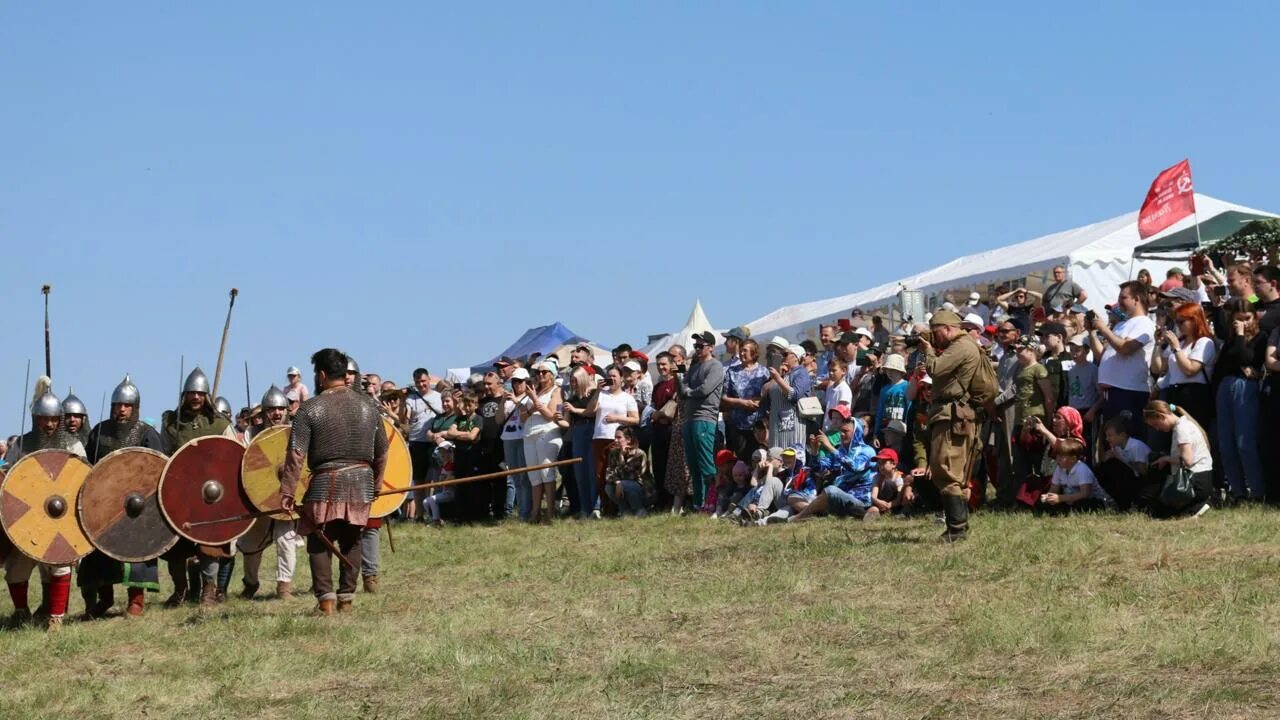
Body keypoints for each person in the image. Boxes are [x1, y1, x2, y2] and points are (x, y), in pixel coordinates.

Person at [280, 349, 388, 616]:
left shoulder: (310, 408)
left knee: (320, 541)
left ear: (321, 375)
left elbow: (295, 455)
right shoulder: (368, 407)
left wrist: (286, 490)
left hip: (326, 482)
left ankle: (326, 603)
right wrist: (376, 484)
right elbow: (383, 451)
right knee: (352, 540)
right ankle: (346, 601)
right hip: (361, 480)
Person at [79, 375, 166, 618]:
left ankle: (136, 601)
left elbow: (157, 467)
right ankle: (105, 598)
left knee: (137, 551)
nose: (122, 409)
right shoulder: (100, 431)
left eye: (127, 405)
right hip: (105, 502)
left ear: (135, 407)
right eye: (118, 405)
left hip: (136, 503)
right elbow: (89, 465)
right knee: (100, 550)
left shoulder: (146, 433)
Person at [5, 388, 84, 630]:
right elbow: (10, 479)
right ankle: (21, 611)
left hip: (60, 516)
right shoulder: (21, 445)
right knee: (16, 570)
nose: (49, 424)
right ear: (36, 418)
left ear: (59, 419)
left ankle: (56, 617)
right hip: (28, 517)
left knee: (59, 565)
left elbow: (81, 481)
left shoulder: (73, 445)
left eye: (53, 419)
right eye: (44, 418)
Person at [160, 367, 238, 607]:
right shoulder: (171, 423)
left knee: (211, 543)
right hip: (181, 492)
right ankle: (180, 590)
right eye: (191, 392)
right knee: (175, 545)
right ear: (184, 394)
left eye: (200, 393)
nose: (195, 397)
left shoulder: (219, 423)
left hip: (211, 493)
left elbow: (234, 455)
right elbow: (163, 455)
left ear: (207, 396)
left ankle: (208, 590)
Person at [917, 310, 984, 541]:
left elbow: (935, 369)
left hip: (952, 415)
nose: (936, 338)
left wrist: (927, 351)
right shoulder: (961, 345)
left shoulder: (961, 345)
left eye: (937, 333)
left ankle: (957, 529)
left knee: (946, 471)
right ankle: (957, 527)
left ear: (947, 328)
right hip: (949, 413)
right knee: (946, 471)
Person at [237, 384, 301, 601]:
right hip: (259, 495)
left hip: (287, 495)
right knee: (251, 545)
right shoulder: (252, 434)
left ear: (286, 411)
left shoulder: (296, 433)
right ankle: (251, 583)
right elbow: (246, 464)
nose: (276, 413)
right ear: (264, 413)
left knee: (286, 540)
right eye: (272, 410)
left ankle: (284, 586)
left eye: (280, 409)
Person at [1089, 281, 1156, 443]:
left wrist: (1104, 329)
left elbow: (1126, 348)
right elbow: (1103, 355)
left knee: (1127, 441)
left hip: (1129, 391)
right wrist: (1092, 332)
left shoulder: (1144, 323)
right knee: (1112, 443)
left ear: (1137, 299)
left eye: (1123, 297)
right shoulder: (1121, 325)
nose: (1119, 302)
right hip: (1112, 394)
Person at [1214, 298, 1267, 503]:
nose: (1244, 322)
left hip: (1245, 388)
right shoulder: (1229, 338)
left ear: (1254, 317)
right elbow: (1227, 362)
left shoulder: (1260, 336)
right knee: (1226, 444)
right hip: (1225, 387)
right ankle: (1238, 492)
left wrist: (1240, 335)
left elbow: (1246, 358)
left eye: (1247, 318)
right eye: (1239, 319)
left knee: (1245, 442)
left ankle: (1256, 490)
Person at [791, 413, 877, 521]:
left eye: (846, 431)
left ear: (856, 433)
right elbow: (819, 470)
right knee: (792, 497)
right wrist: (814, 452)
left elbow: (854, 467)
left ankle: (799, 517)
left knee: (831, 490)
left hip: (859, 501)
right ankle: (816, 514)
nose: (841, 434)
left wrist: (830, 447)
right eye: (841, 430)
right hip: (837, 498)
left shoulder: (867, 451)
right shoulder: (839, 450)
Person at [1142, 400, 1213, 518]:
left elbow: (1188, 461)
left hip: (1194, 482)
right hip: (1202, 479)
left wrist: (1167, 459)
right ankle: (1197, 506)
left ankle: (1197, 506)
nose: (1157, 429)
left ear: (1161, 416)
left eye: (1156, 425)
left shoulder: (1181, 429)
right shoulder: (1183, 425)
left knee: (1160, 514)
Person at [1149, 302, 1215, 429]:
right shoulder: (1180, 342)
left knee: (1192, 432)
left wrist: (1176, 349)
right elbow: (1158, 368)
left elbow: (1190, 369)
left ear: (1194, 320)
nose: (1178, 325)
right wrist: (1157, 345)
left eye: (1182, 321)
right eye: (1176, 322)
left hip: (1195, 394)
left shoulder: (1204, 342)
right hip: (1174, 391)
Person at [679, 331, 725, 512]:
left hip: (705, 418)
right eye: (695, 346)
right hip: (689, 418)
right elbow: (682, 387)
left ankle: (711, 502)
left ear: (711, 347)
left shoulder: (716, 366)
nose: (697, 349)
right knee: (693, 465)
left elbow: (705, 389)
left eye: (701, 346)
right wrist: (679, 373)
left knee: (706, 464)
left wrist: (689, 391)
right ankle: (699, 504)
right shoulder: (694, 367)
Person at [521, 359, 568, 523]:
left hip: (547, 433)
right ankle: (535, 512)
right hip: (529, 435)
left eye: (544, 372)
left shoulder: (556, 391)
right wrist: (532, 404)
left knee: (547, 473)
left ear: (552, 375)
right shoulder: (535, 391)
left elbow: (551, 415)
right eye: (538, 372)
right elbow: (522, 417)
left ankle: (550, 511)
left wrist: (534, 400)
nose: (540, 375)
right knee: (534, 476)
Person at [589, 365, 639, 517]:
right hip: (599, 438)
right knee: (600, 475)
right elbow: (590, 410)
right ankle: (606, 509)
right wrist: (597, 391)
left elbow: (636, 419)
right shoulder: (602, 394)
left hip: (616, 440)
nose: (611, 379)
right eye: (609, 376)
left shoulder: (627, 398)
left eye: (614, 376)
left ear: (621, 378)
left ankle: (619, 508)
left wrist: (617, 419)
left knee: (615, 474)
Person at [404, 368, 443, 522]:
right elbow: (405, 418)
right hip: (417, 441)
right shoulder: (411, 398)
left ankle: (433, 513)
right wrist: (402, 400)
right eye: (418, 382)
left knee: (434, 480)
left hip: (434, 442)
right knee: (419, 481)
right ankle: (419, 514)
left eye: (423, 381)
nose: (421, 385)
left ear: (429, 381)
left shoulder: (438, 397)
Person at [1093, 415, 1154, 512]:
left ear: (1122, 435)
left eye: (1110, 435)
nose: (1107, 439)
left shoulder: (1135, 446)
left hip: (1144, 482)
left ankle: (1130, 503)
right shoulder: (1117, 447)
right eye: (1106, 436)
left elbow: (1143, 471)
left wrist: (1120, 458)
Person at [721, 339, 768, 458]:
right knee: (742, 462)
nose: (741, 353)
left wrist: (760, 399)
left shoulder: (764, 372)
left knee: (760, 460)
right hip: (738, 426)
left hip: (759, 427)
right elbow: (724, 397)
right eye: (741, 350)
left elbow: (769, 396)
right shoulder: (732, 372)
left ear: (754, 352)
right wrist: (741, 403)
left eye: (745, 351)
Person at [562, 367, 599, 518]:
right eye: (571, 381)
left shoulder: (593, 394)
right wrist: (558, 417)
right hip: (577, 433)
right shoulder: (571, 398)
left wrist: (574, 410)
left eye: (575, 381)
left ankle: (596, 506)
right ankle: (585, 508)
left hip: (591, 431)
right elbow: (566, 423)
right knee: (580, 472)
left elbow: (592, 411)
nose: (572, 384)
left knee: (592, 471)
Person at [761, 340, 809, 454]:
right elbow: (763, 393)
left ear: (796, 357)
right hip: (776, 425)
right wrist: (778, 376)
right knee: (775, 457)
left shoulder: (801, 372)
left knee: (792, 458)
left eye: (785, 354)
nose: (782, 357)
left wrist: (778, 378)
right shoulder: (781, 374)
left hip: (794, 425)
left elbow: (794, 395)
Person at [663, 345, 694, 514]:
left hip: (690, 419)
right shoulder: (676, 373)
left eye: (673, 356)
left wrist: (680, 372)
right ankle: (677, 501)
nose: (671, 359)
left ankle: (690, 501)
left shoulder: (689, 369)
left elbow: (685, 392)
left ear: (681, 356)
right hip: (678, 422)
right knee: (677, 463)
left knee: (688, 463)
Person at [1037, 438, 1105, 515]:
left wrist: (1060, 498)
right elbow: (1054, 489)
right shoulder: (1059, 468)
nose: (1057, 459)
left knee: (1083, 504)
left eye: (1061, 457)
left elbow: (1085, 494)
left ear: (1073, 459)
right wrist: (1048, 497)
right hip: (1069, 501)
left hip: (1091, 500)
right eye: (1057, 455)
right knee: (1042, 503)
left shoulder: (1082, 470)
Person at [500, 368, 532, 520]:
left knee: (524, 477)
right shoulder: (507, 400)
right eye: (514, 381)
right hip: (508, 438)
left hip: (523, 437)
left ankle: (526, 511)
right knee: (515, 477)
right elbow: (499, 420)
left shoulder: (529, 397)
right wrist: (502, 400)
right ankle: (521, 511)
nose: (517, 384)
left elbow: (526, 416)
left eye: (520, 381)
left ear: (526, 382)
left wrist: (515, 401)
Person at [650, 352, 679, 509]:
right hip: (657, 429)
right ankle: (661, 500)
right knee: (658, 465)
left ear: (671, 364)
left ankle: (672, 500)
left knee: (671, 465)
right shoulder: (657, 386)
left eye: (664, 364)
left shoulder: (677, 383)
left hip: (671, 429)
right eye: (658, 364)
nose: (661, 367)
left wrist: (659, 414)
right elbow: (654, 406)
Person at [604, 426, 652, 517]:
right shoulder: (613, 453)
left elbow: (634, 477)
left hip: (644, 491)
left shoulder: (639, 454)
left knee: (624, 484)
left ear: (628, 439)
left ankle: (640, 510)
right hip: (624, 485)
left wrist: (622, 459)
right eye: (615, 437)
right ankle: (625, 512)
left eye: (619, 437)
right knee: (609, 487)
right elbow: (608, 474)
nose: (615, 440)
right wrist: (617, 482)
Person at [868, 448, 907, 515]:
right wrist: (878, 502)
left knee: (888, 483)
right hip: (879, 503)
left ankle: (886, 511)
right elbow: (873, 497)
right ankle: (875, 511)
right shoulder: (877, 477)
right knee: (859, 508)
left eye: (883, 463)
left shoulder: (899, 477)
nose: (881, 466)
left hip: (894, 505)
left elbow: (899, 498)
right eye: (879, 463)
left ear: (894, 464)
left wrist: (889, 505)